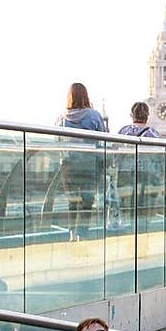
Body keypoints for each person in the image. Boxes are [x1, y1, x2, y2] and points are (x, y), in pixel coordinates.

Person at [55, 83, 106, 240]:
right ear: (86, 96)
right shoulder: (94, 116)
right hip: (90, 165)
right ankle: (82, 234)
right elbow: (103, 139)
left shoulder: (61, 118)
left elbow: (57, 142)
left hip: (68, 165)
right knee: (87, 201)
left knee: (72, 200)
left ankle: (71, 233)